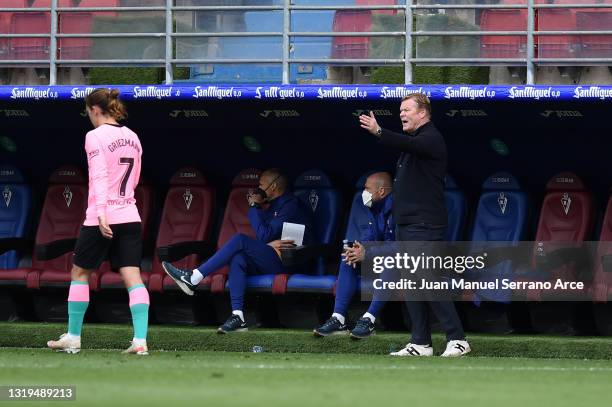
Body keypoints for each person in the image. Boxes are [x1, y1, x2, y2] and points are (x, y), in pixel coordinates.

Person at [359, 93, 471, 357]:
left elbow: (412, 145)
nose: (402, 115)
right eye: (400, 111)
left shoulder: (431, 138)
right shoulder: (412, 142)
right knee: (412, 282)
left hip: (425, 225)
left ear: (423, 113)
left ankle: (458, 339)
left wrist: (379, 131)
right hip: (407, 226)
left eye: (407, 110)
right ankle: (420, 342)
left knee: (428, 280)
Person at [47, 88, 149, 355]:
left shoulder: (94, 136)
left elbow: (99, 177)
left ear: (94, 110)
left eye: (87, 112)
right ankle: (140, 341)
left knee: (79, 273)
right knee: (133, 277)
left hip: (102, 217)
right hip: (130, 214)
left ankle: (73, 337)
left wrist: (102, 213)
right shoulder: (133, 136)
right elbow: (135, 178)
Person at [163, 168, 314, 334]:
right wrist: (268, 241)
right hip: (274, 258)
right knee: (238, 258)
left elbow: (264, 235)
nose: (258, 189)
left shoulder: (291, 205)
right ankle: (238, 316)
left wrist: (253, 206)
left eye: (261, 185)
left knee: (240, 240)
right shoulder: (271, 207)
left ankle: (194, 277)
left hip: (291, 261)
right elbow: (266, 238)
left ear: (274, 186)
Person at [314, 172, 394, 339]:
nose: (363, 192)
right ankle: (339, 318)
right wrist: (358, 248)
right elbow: (370, 235)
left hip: (409, 264)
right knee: (348, 257)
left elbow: (400, 248)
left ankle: (369, 319)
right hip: (380, 257)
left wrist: (368, 252)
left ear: (381, 191)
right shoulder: (375, 208)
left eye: (367, 188)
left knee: (391, 262)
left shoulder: (397, 209)